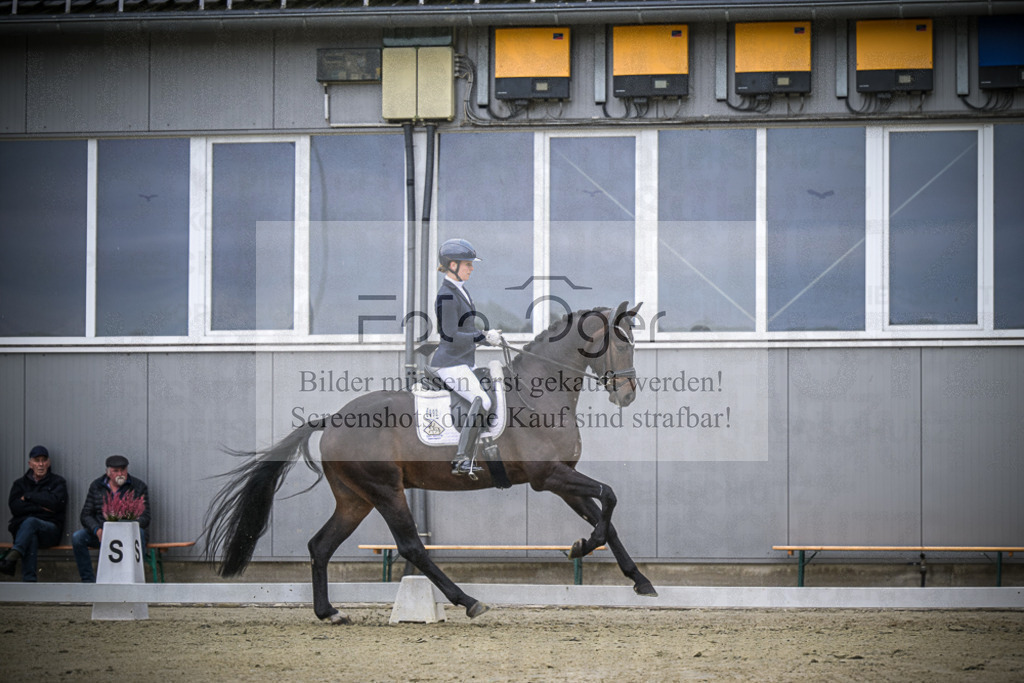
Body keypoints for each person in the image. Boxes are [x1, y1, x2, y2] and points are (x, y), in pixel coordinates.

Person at [433, 238, 503, 477]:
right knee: (482, 401)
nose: (471, 268)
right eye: (467, 264)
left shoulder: (459, 290)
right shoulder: (447, 295)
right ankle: (462, 459)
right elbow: (450, 334)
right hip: (450, 363)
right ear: (452, 265)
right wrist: (483, 336)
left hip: (463, 361)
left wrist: (487, 338)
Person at [71, 454, 150, 583]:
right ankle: (88, 583)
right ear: (108, 472)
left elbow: (145, 517)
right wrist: (97, 530)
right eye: (116, 471)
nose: (120, 474)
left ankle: (136, 580)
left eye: (123, 470)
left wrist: (128, 527)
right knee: (77, 538)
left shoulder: (138, 486)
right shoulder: (96, 486)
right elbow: (85, 515)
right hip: (102, 532)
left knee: (140, 533)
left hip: (129, 535)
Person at [1, 445, 68, 582]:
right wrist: (43, 505)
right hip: (25, 533)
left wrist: (29, 497)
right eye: (37, 460)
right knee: (30, 532)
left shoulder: (58, 482)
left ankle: (12, 557)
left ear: (48, 463)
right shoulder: (19, 484)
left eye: (44, 460)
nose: (41, 464)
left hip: (50, 531)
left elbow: (56, 504)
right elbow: (15, 508)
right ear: (30, 464)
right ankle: (29, 582)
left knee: (31, 522)